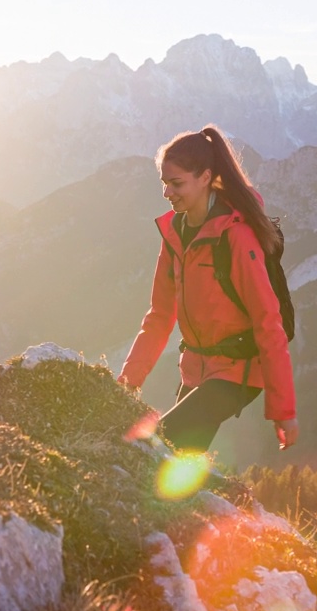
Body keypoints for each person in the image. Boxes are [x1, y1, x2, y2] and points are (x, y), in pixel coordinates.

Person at [117, 125, 299, 453]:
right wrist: (127, 384)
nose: (167, 193)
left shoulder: (236, 238)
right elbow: (159, 316)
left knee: (157, 444)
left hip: (239, 373)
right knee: (177, 459)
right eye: (164, 184)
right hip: (196, 370)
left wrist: (283, 412)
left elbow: (268, 321)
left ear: (205, 178)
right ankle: (189, 505)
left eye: (176, 183)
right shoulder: (176, 234)